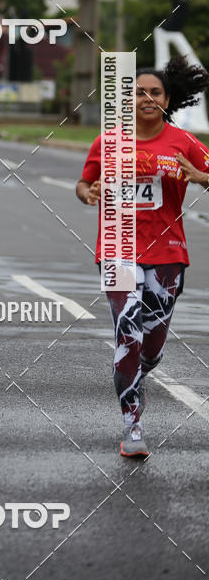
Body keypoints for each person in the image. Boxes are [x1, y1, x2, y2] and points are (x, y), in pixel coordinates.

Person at [76, 56, 209, 458]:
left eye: (155, 92)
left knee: (149, 346)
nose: (146, 98)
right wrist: (89, 193)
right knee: (127, 332)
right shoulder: (107, 142)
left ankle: (144, 361)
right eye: (138, 92)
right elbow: (83, 185)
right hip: (117, 246)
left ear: (167, 100)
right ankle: (133, 427)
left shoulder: (183, 142)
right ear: (128, 100)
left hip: (168, 253)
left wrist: (202, 177)